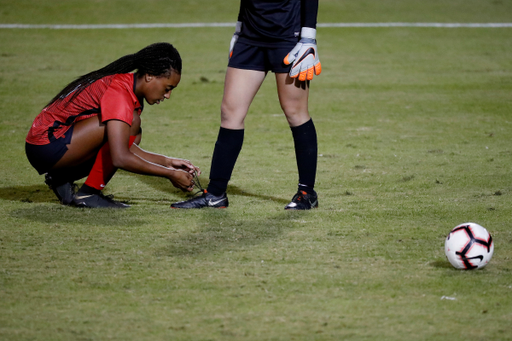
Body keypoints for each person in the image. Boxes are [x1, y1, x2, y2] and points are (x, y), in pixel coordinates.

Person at [171, 0, 321, 210]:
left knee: (295, 112)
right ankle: (215, 194)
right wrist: (239, 28)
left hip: (289, 38)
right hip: (250, 37)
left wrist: (308, 38)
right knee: (230, 112)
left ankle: (307, 193)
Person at [26, 42, 200, 208]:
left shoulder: (127, 86)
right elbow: (120, 157)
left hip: (49, 144)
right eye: (167, 88)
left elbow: (121, 146)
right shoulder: (120, 94)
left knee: (132, 131)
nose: (167, 95)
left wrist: (167, 162)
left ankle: (61, 178)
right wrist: (169, 174)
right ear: (149, 76)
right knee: (132, 124)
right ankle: (89, 194)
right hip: (45, 146)